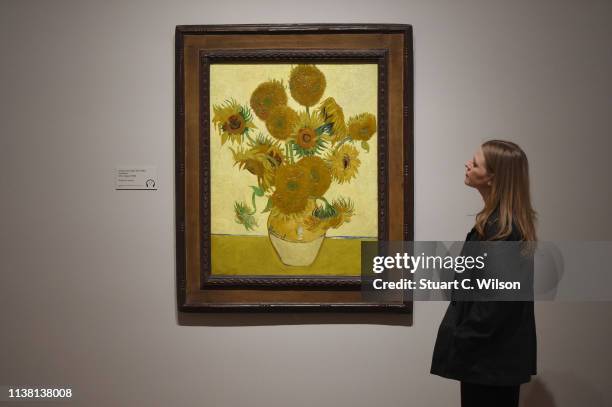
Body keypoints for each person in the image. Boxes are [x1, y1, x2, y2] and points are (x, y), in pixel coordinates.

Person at [430, 140, 537, 407]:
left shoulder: (502, 230)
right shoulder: (496, 224)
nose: (467, 164)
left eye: (475, 163)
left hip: (489, 362)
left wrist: (462, 338)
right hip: (489, 361)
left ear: (493, 177)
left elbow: (496, 304)